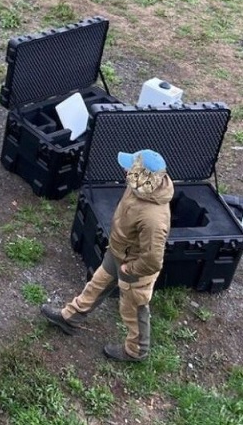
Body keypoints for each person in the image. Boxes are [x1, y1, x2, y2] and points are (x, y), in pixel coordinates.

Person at [41, 149, 174, 362]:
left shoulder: (153, 219)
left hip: (134, 268)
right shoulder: (140, 188)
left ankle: (136, 351)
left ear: (143, 177)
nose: (125, 171)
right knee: (98, 284)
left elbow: (152, 260)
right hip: (118, 252)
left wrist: (129, 269)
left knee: (133, 308)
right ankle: (71, 317)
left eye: (130, 169)